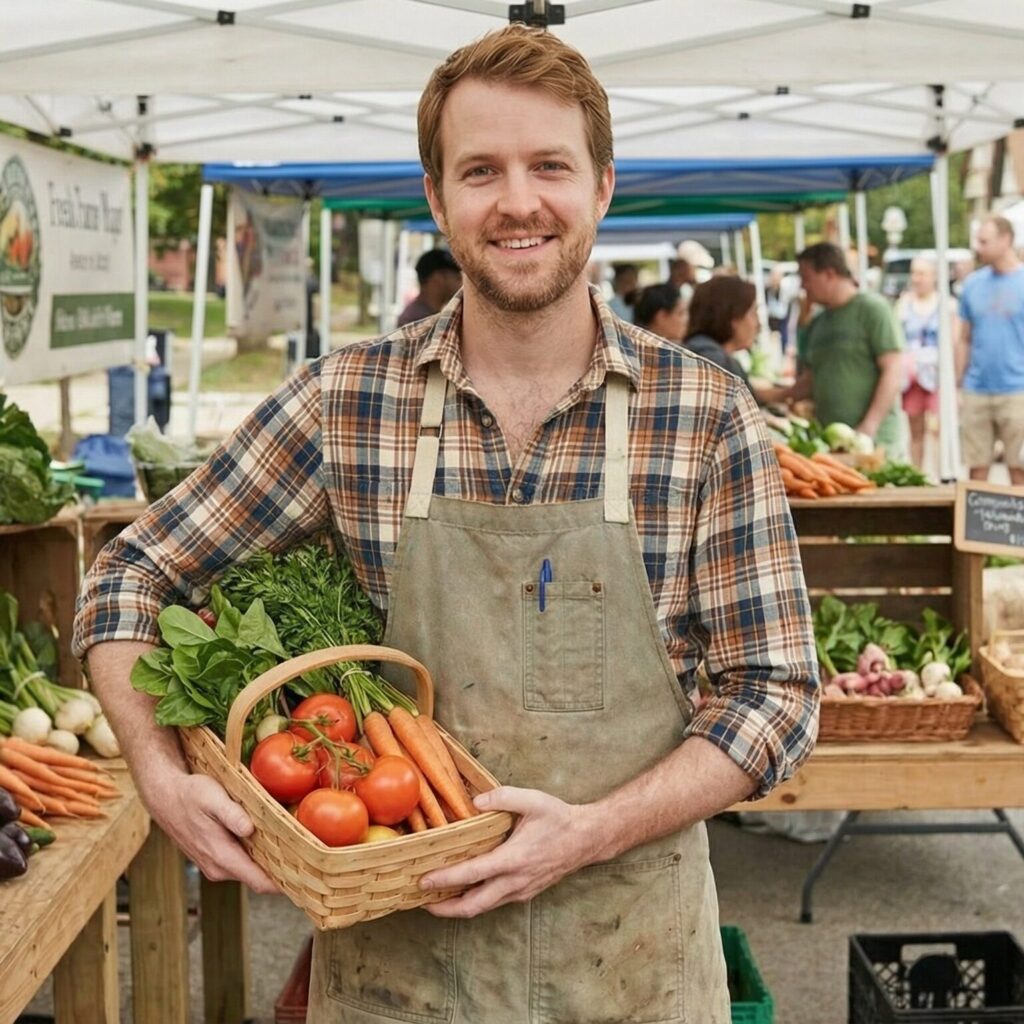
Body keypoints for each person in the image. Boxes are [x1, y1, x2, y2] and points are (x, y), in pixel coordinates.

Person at [73, 25, 818, 1024]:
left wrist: (589, 831)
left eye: (548, 165)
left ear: (601, 185)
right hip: (398, 981)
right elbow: (126, 579)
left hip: (632, 968)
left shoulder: (704, 413)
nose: (516, 201)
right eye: (480, 171)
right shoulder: (343, 402)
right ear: (437, 198)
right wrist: (158, 773)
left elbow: (774, 693)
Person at [781, 242, 905, 454]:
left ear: (829, 274)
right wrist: (768, 396)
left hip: (875, 443)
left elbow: (893, 370)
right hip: (832, 444)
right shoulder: (818, 322)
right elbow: (809, 381)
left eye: (807, 278)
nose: (804, 286)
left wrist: (868, 427)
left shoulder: (873, 310)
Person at [957, 215, 1024, 483]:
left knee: (1019, 467)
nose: (978, 247)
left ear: (1006, 240)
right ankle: (974, 525)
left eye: (984, 241)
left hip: (1017, 389)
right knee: (976, 468)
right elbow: (964, 338)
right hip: (977, 388)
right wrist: (959, 382)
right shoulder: (972, 284)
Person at [897, 257, 943, 469]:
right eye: (914, 273)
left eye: (922, 273)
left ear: (933, 276)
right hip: (912, 376)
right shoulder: (904, 304)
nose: (917, 278)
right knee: (916, 430)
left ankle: (940, 474)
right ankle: (918, 472)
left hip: (937, 376)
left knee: (937, 429)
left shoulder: (945, 304)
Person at [683, 276, 763, 396]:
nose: (758, 324)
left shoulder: (708, 352)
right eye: (753, 313)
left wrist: (788, 392)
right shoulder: (713, 361)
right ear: (734, 317)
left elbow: (751, 396)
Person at [396, 247, 462, 326]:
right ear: (438, 278)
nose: (461, 284)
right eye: (457, 278)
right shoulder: (416, 320)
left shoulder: (427, 313)